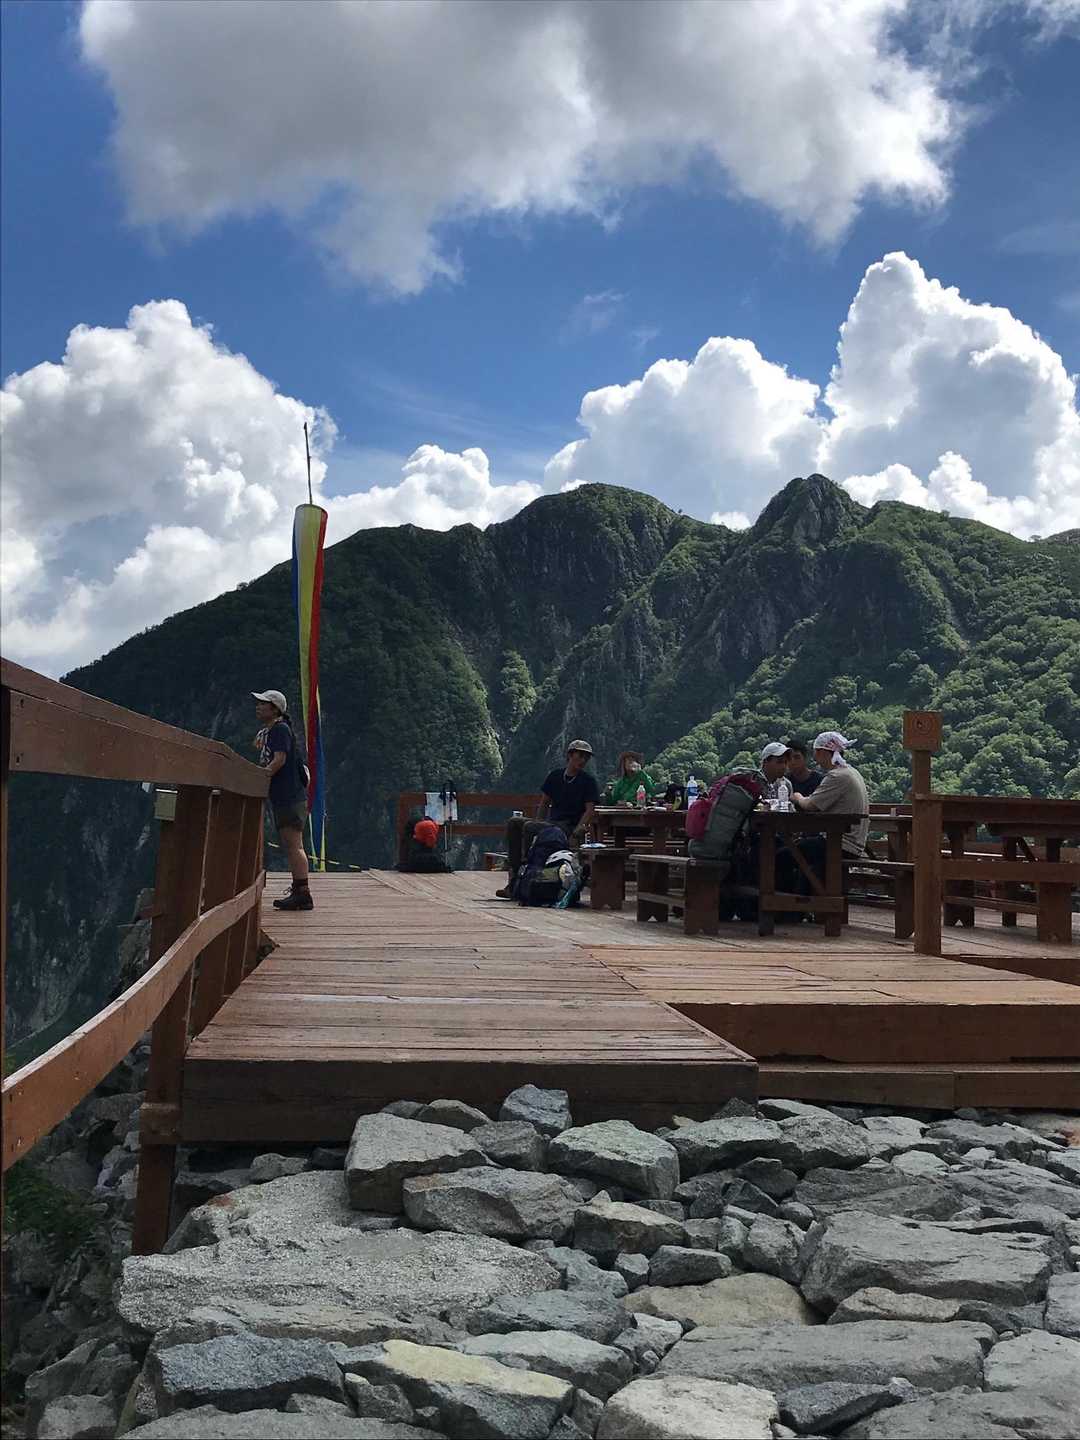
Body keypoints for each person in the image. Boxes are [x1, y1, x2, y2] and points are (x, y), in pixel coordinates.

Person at [497, 740, 600, 898]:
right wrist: (539, 821)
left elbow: (590, 810)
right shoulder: (555, 776)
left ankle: (525, 870)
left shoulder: (588, 782)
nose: (583, 760)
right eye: (580, 755)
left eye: (586, 757)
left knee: (529, 827)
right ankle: (514, 875)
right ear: (570, 755)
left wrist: (577, 831)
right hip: (550, 824)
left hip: (567, 827)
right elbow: (544, 802)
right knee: (514, 823)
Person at [252, 688, 312, 912]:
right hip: (288, 796)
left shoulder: (279, 730)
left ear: (274, 708)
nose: (258, 707)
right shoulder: (276, 730)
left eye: (263, 703)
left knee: (294, 845)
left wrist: (261, 776)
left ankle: (302, 892)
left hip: (288, 797)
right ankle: (300, 891)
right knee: (293, 845)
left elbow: (279, 759)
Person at [790, 731, 870, 883]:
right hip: (853, 842)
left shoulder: (836, 776)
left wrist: (797, 797)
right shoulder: (852, 772)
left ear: (822, 752)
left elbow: (810, 805)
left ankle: (778, 894)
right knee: (799, 852)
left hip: (840, 843)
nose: (815, 758)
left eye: (816, 752)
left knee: (784, 855)